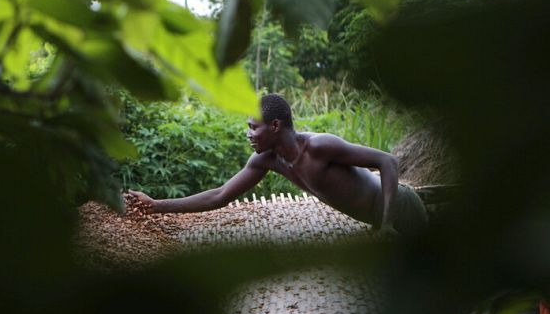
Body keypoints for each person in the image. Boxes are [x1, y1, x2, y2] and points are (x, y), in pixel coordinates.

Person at [128, 94, 428, 236]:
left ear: (274, 126)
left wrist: (387, 222)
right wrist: (155, 205)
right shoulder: (267, 161)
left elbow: (387, 161)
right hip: (378, 221)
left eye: (252, 127)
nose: (248, 134)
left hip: (401, 206)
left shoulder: (320, 147)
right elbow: (220, 195)